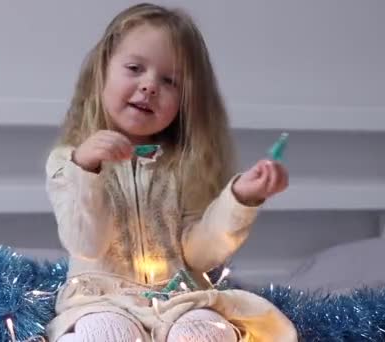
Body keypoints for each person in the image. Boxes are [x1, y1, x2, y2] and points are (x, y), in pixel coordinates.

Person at [45, 3, 296, 341]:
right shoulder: (68, 161)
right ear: (102, 71)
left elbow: (200, 254)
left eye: (169, 81)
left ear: (187, 100)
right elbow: (86, 244)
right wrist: (87, 170)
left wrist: (240, 199)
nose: (149, 86)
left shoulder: (184, 163)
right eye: (135, 68)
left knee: (209, 333)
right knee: (105, 334)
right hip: (99, 299)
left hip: (180, 298)